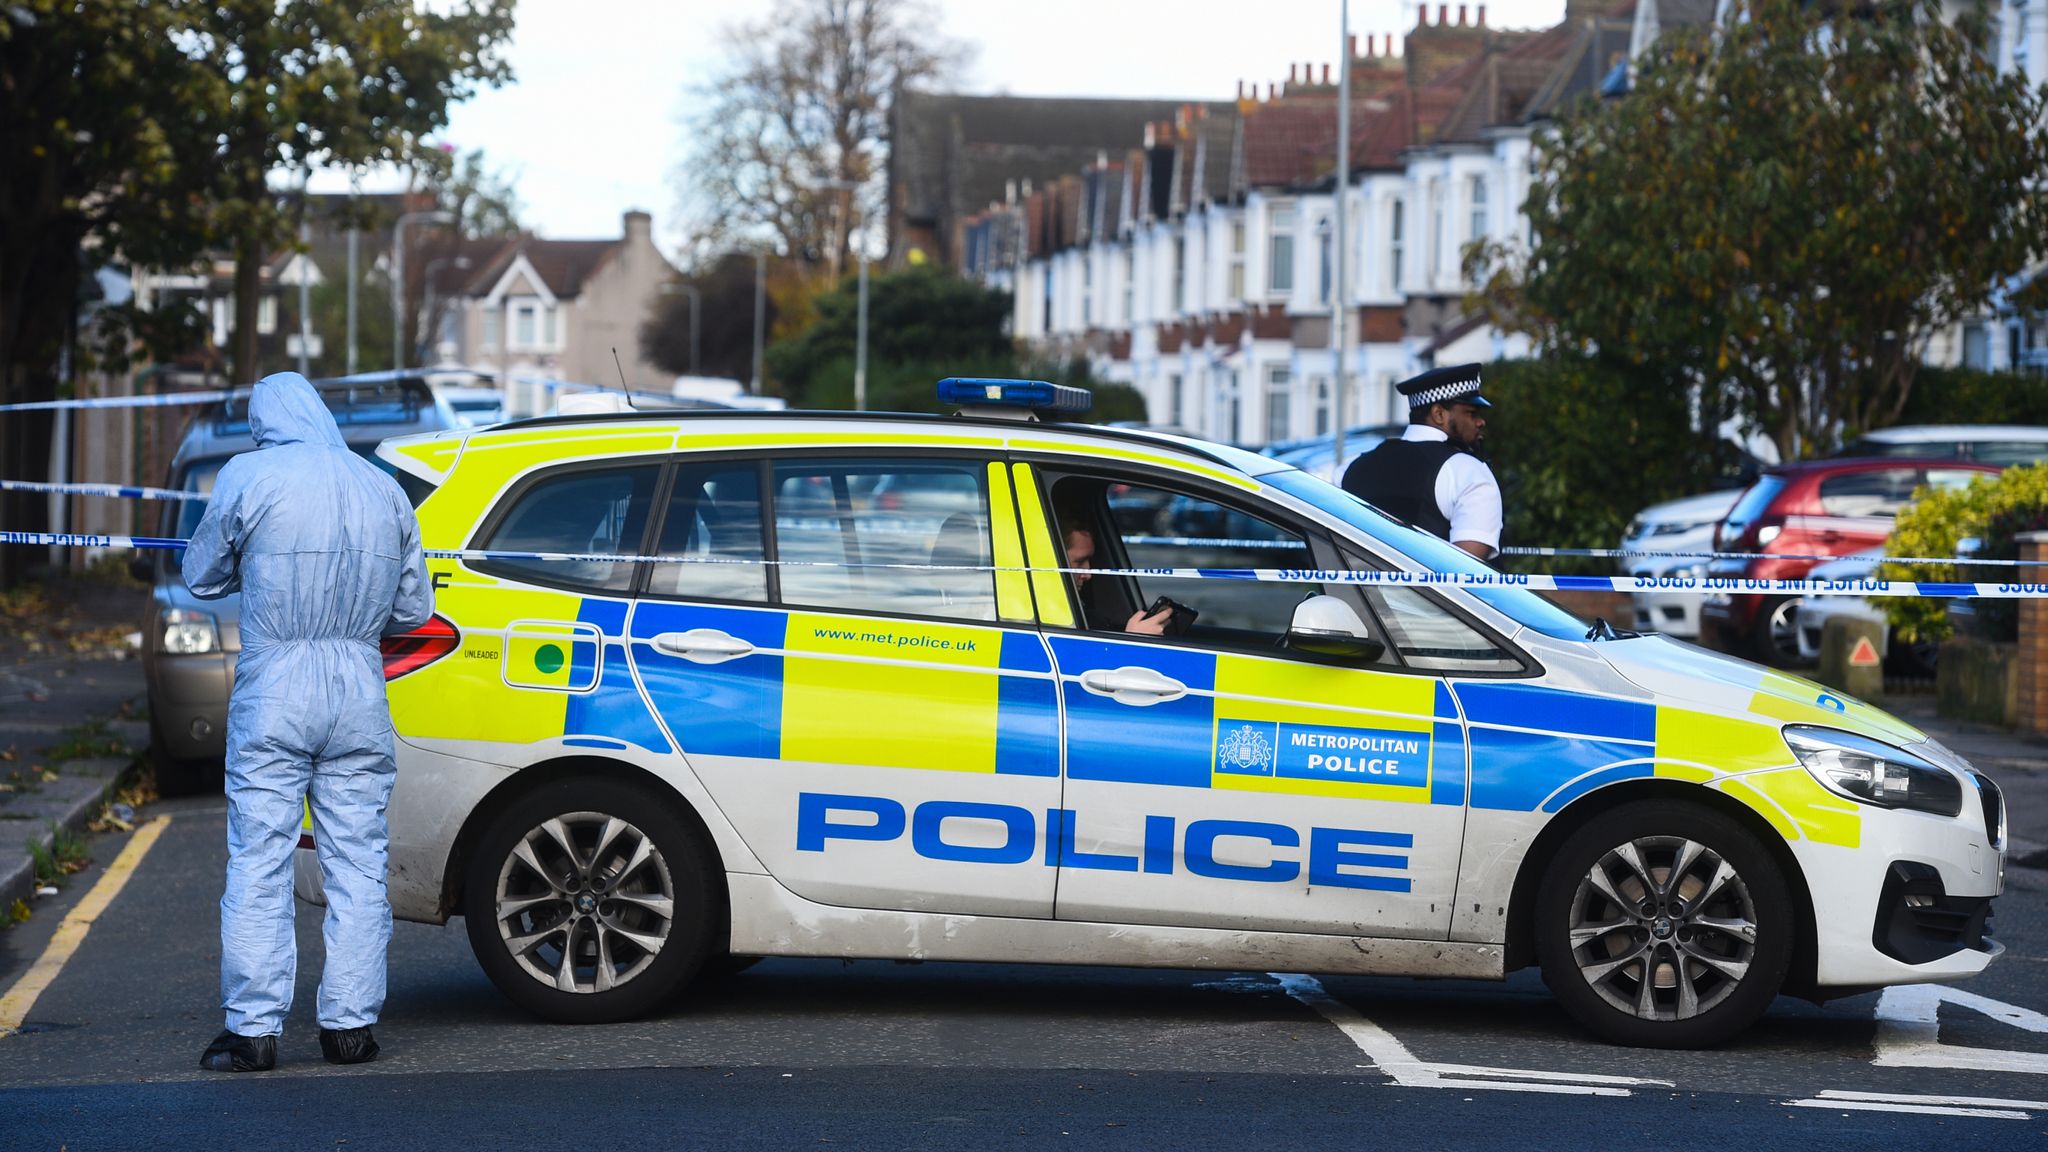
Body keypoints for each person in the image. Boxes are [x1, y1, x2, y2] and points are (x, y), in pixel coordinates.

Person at [183, 372, 432, 1073]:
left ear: (265, 423)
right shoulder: (380, 486)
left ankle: (254, 1030)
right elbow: (413, 611)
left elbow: (202, 576)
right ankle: (350, 1028)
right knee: (357, 861)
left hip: (276, 685)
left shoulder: (248, 474)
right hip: (358, 686)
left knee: (260, 859)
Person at [1340, 362, 1502, 561]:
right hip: (1434, 593)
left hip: (1353, 591)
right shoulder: (1467, 472)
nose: (1480, 422)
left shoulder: (1353, 467)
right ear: (1439, 414)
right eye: (1471, 413)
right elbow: (1467, 571)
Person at [1057, 508, 1173, 635]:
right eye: (1079, 562)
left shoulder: (1086, 615)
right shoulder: (1047, 620)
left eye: (1089, 561)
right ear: (1053, 559)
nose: (1088, 574)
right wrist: (1133, 641)